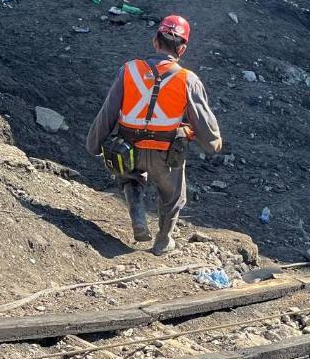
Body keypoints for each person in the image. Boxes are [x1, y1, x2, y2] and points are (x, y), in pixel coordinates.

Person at [85, 15, 222, 255]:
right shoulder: (187, 80)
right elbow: (205, 127)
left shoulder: (129, 70)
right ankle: (163, 240)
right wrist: (213, 144)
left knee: (129, 177)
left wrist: (94, 144)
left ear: (154, 41)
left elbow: (108, 111)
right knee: (173, 196)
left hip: (127, 150)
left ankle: (137, 213)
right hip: (166, 156)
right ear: (182, 48)